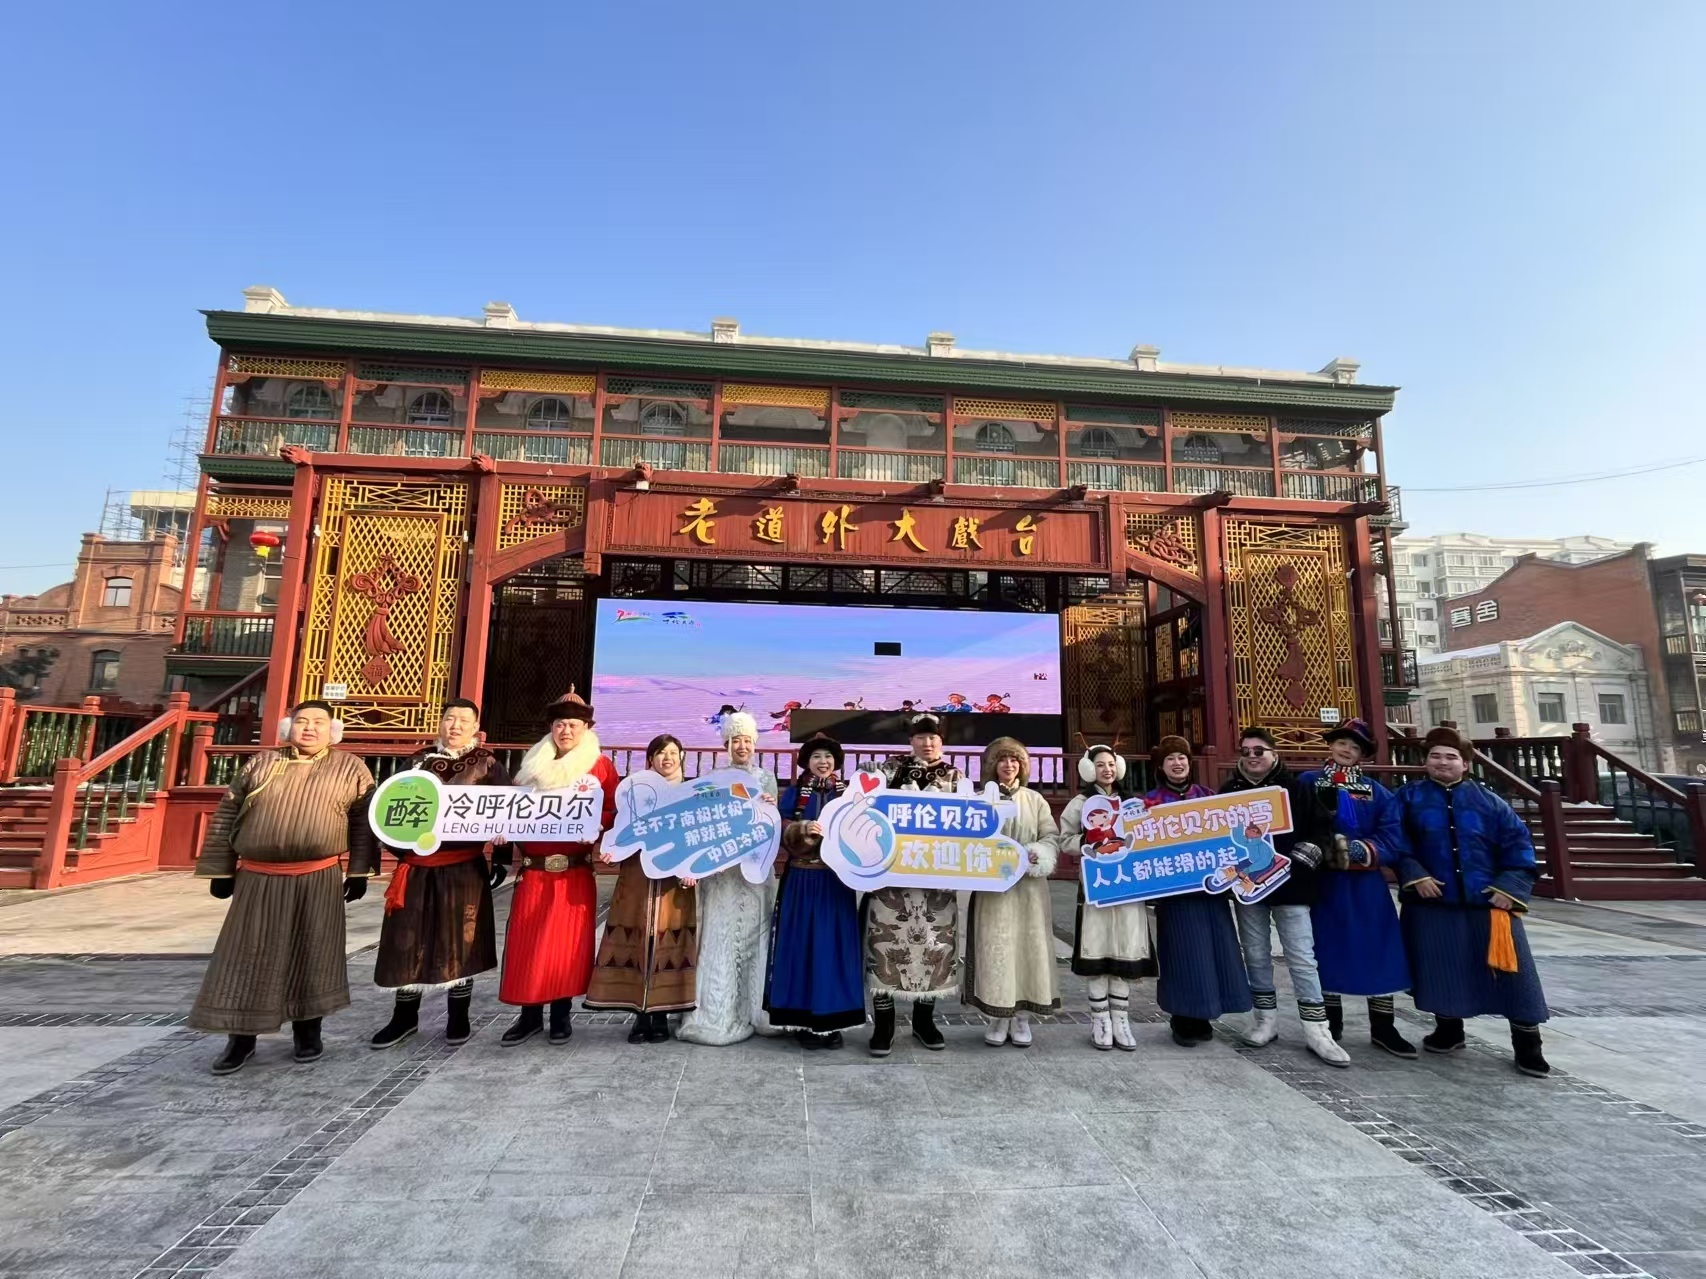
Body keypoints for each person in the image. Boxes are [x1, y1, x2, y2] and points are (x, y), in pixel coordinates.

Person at [189, 701, 378, 1075]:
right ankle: (240, 1037)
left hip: (318, 875)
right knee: (247, 955)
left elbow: (362, 821)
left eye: (319, 723)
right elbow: (229, 811)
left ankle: (308, 1032)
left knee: (314, 951)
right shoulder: (261, 763)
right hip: (258, 876)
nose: (309, 728)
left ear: (333, 730)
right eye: (302, 721)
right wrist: (220, 869)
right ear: (287, 726)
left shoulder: (350, 767)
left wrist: (359, 870)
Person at [1396, 727, 1551, 1077]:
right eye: (1435, 756)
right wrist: (1414, 873)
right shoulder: (1408, 798)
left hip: (1490, 902)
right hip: (1432, 901)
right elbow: (1397, 841)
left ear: (1466, 764)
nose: (1442, 762)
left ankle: (1528, 1044)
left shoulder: (1490, 803)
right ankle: (1449, 1029)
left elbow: (1518, 845)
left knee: (1513, 974)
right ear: (1426, 762)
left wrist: (1509, 887)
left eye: (1451, 757)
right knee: (1441, 968)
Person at [368, 699, 510, 1050]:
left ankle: (458, 1015)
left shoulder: (487, 763)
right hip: (417, 865)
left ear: (476, 727)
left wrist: (502, 856)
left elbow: (507, 810)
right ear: (440, 723)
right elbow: (390, 808)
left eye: (464, 720)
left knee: (462, 937)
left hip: (464, 866)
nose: (455, 726)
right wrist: (402, 851)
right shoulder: (416, 762)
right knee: (406, 939)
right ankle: (404, 1017)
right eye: (449, 719)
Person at [1218, 727, 1346, 1066]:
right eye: (1246, 751)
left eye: (1259, 750)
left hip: (1292, 883)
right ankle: (1265, 1019)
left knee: (1302, 956)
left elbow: (1321, 830)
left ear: (1274, 753)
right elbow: (1217, 839)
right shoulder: (1230, 792)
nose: (1252, 756)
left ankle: (1317, 1028)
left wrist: (1303, 859)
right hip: (1250, 888)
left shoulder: (1297, 789)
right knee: (1257, 954)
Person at [497, 691, 618, 1047]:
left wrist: (598, 825)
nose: (566, 730)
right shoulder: (532, 765)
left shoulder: (599, 766)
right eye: (560, 724)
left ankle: (561, 1014)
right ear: (551, 727)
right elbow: (513, 808)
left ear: (586, 728)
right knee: (527, 942)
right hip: (534, 871)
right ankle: (529, 1015)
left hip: (573, 871)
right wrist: (505, 827)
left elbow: (612, 808)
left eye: (573, 725)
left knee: (567, 944)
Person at [1300, 719, 1416, 1059]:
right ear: (1330, 746)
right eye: (1341, 743)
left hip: (1365, 882)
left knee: (1378, 948)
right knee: (1325, 949)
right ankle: (1330, 1023)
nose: (1346, 750)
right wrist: (1322, 846)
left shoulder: (1377, 792)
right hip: (1325, 882)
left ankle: (1383, 1025)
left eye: (1354, 747)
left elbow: (1393, 836)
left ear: (1362, 754)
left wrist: (1360, 849)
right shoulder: (1309, 783)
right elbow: (1295, 822)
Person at [585, 734, 699, 1044]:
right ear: (650, 760)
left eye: (674, 752)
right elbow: (620, 828)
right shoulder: (635, 793)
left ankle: (661, 1014)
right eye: (661, 753)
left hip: (676, 881)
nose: (667, 758)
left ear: (682, 757)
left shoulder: (691, 795)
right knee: (639, 938)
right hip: (637, 875)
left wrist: (692, 870)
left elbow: (700, 838)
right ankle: (640, 1014)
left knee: (668, 943)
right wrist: (610, 848)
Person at [677, 712, 779, 1046]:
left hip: (752, 871)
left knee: (753, 934)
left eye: (747, 740)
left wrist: (768, 808)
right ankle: (718, 1011)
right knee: (719, 936)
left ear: (754, 744)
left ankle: (755, 1011)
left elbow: (771, 822)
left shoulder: (766, 778)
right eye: (736, 741)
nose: (742, 746)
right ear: (726, 745)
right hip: (721, 872)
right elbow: (703, 821)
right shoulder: (713, 779)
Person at [1145, 736, 1253, 1048]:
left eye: (1181, 758)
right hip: (1175, 895)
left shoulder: (1209, 798)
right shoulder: (1150, 803)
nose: (1177, 764)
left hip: (1211, 891)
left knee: (1213, 950)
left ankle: (1207, 1012)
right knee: (1181, 953)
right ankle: (1182, 1017)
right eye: (1170, 759)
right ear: (1161, 766)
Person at [866, 712, 963, 1055]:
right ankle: (884, 1025)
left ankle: (925, 1020)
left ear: (942, 742)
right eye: (920, 738)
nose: (927, 743)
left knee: (934, 948)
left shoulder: (955, 776)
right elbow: (864, 798)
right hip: (891, 877)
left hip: (935, 880)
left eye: (933, 738)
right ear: (911, 741)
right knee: (885, 945)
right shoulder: (890, 770)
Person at [764, 734, 865, 1049]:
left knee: (833, 947)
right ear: (807, 762)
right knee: (801, 944)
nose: (824, 761)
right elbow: (781, 830)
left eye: (829, 757)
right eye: (817, 756)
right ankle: (802, 1018)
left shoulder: (850, 795)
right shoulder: (794, 793)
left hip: (836, 882)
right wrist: (801, 830)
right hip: (802, 880)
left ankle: (832, 1020)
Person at [963, 737, 1060, 1046]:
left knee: (1028, 948)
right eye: (1002, 760)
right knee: (995, 948)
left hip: (1029, 889)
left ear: (1022, 766)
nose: (1008, 765)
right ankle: (996, 1016)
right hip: (993, 889)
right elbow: (968, 838)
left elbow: (1050, 836)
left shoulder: (1035, 800)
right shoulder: (981, 799)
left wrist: (1038, 854)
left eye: (1014, 760)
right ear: (993, 766)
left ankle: (1021, 1017)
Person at [1060, 745, 1154, 1050]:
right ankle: (1099, 1019)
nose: (1107, 770)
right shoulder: (1081, 803)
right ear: (1089, 769)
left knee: (1124, 947)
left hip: (1127, 886)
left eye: (1111, 764)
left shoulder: (1132, 803)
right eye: (1100, 765)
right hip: (1096, 887)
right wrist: (1088, 841)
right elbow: (1064, 841)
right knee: (1097, 947)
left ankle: (1121, 1018)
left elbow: (1147, 836)